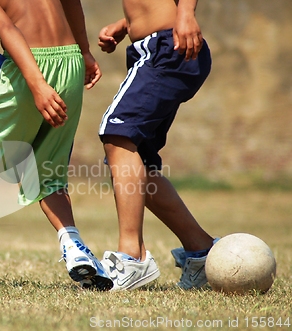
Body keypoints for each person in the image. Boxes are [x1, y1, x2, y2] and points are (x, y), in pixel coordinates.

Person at [0, 0, 113, 291]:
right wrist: (85, 50)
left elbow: (7, 28)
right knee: (48, 169)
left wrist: (38, 84)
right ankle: (74, 245)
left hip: (28, 67)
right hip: (70, 62)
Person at [97, 0, 217, 290]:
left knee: (117, 132)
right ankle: (201, 251)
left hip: (167, 46)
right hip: (157, 49)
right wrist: (125, 24)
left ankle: (131, 258)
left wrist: (186, 12)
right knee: (137, 162)